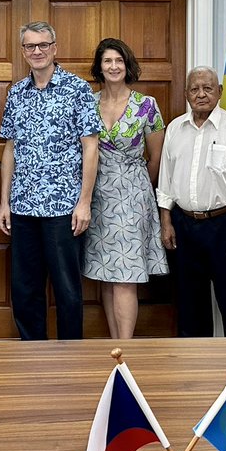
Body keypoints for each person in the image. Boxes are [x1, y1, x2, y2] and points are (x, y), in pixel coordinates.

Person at [0, 21, 101, 340]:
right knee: (25, 288)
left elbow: (91, 147)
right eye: (30, 46)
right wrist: (4, 202)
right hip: (24, 206)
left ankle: (71, 354)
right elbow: (9, 149)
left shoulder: (77, 88)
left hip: (64, 208)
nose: (37, 51)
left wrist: (84, 202)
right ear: (24, 51)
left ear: (55, 48)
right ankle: (32, 352)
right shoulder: (16, 93)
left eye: (43, 45)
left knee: (67, 287)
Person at [157, 67, 226, 337]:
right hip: (184, 225)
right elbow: (166, 180)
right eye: (195, 89)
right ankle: (195, 370)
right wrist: (166, 222)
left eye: (208, 88)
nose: (201, 94)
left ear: (220, 92)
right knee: (190, 306)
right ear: (186, 94)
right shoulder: (175, 129)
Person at [82, 38, 168, 340]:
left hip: (132, 196)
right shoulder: (88, 102)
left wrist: (141, 189)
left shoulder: (147, 105)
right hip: (95, 196)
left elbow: (157, 157)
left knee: (125, 276)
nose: (114, 66)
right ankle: (113, 345)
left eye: (119, 60)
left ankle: (127, 348)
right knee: (105, 273)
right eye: (107, 61)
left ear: (127, 65)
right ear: (100, 67)